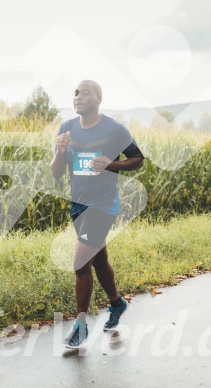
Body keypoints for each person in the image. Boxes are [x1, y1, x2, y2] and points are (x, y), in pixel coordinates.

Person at [50, 80, 145, 349]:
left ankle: (80, 326)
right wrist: (59, 151)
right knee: (99, 262)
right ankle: (117, 304)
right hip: (79, 205)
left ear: (99, 98)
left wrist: (111, 164)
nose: (78, 96)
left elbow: (137, 159)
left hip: (103, 206)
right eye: (76, 92)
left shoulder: (114, 129)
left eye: (85, 92)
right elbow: (56, 172)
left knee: (80, 263)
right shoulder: (66, 128)